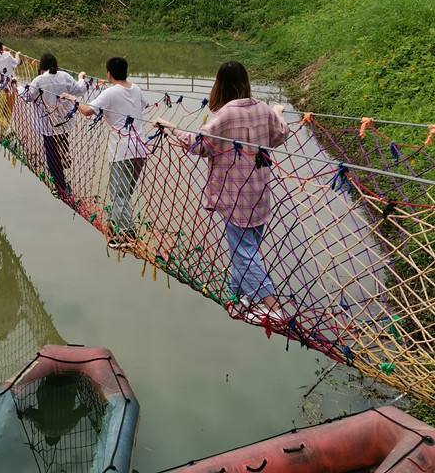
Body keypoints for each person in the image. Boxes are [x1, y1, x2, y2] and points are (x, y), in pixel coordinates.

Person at [153, 60, 289, 323]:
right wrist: (278, 111)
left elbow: (198, 146)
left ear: (220, 85)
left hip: (234, 194)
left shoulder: (225, 114)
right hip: (259, 192)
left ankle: (272, 306)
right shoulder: (262, 109)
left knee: (243, 251)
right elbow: (280, 134)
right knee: (246, 248)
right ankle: (242, 299)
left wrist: (170, 128)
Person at [62, 56, 148, 248]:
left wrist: (73, 99)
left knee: (119, 195)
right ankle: (119, 227)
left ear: (108, 74)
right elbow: (144, 105)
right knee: (124, 193)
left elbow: (86, 111)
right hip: (141, 150)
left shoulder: (111, 93)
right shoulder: (136, 89)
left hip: (122, 151)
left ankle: (127, 235)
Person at [22, 53, 86, 198]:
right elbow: (80, 90)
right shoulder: (64, 76)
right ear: (56, 65)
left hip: (47, 124)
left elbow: (28, 97)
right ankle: (64, 162)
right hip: (64, 121)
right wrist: (81, 78)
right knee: (62, 145)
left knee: (51, 154)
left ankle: (61, 186)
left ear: (40, 66)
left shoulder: (39, 80)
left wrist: (19, 87)